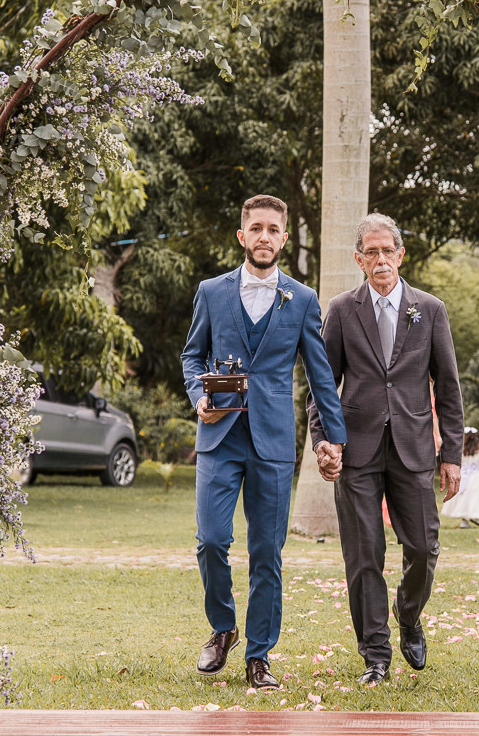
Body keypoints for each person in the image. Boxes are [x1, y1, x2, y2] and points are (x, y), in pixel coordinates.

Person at [180, 194, 347, 689]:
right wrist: (198, 397)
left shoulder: (304, 300)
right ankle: (223, 627)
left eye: (274, 229)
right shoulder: (211, 292)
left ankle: (259, 656)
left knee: (267, 552)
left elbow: (321, 376)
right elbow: (192, 357)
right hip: (219, 436)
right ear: (242, 236)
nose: (264, 237)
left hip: (273, 442)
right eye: (256, 228)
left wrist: (331, 438)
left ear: (284, 238)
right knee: (211, 540)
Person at [307, 212, 464, 686]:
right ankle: (375, 655)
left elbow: (450, 387)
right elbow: (321, 385)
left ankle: (409, 615)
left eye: (387, 250)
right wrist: (322, 441)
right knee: (364, 556)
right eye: (370, 252)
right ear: (358, 259)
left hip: (415, 449)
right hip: (356, 450)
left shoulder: (430, 309)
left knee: (423, 547)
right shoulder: (340, 309)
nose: (380, 259)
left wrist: (452, 454)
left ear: (401, 254)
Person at [440, 426, 479, 528]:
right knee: (475, 497)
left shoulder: (460, 450)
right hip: (477, 476)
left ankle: (464, 521)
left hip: (463, 476)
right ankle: (474, 516)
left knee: (463, 498)